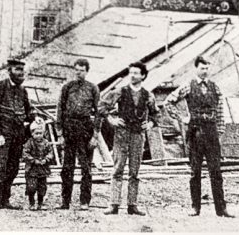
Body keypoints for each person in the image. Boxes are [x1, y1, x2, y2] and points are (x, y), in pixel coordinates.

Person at [164, 56, 234, 218]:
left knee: (216, 171)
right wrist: (182, 118)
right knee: (195, 172)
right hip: (195, 133)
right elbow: (169, 102)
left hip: (211, 133)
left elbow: (220, 110)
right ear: (196, 68)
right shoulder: (188, 85)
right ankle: (195, 207)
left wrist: (220, 131)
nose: (205, 71)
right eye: (202, 68)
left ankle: (221, 209)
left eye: (207, 68)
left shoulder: (214, 87)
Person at [100, 62, 160, 216]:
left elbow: (155, 114)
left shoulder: (148, 95)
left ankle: (132, 205)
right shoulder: (120, 91)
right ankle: (113, 204)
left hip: (138, 136)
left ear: (143, 76)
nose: (132, 75)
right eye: (131, 72)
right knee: (118, 169)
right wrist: (111, 120)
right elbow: (102, 106)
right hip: (122, 135)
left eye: (136, 73)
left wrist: (151, 123)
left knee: (135, 172)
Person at [0, 58, 35, 211]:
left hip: (18, 135)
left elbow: (28, 112)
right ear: (10, 71)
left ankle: (4, 200)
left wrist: (34, 116)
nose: (21, 73)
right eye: (17, 70)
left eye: (22, 70)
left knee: (13, 168)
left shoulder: (23, 91)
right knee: (0, 166)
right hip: (3, 134)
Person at [56, 58, 101, 210]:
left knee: (86, 167)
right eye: (76, 69)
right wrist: (60, 133)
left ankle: (84, 201)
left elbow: (99, 112)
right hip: (69, 128)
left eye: (81, 70)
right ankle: (65, 201)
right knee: (67, 167)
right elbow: (60, 110)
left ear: (87, 71)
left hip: (85, 128)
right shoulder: (67, 87)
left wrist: (95, 135)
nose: (78, 72)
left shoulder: (93, 88)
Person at [23, 120, 54, 210]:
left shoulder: (46, 143)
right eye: (36, 133)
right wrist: (33, 160)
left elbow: (50, 152)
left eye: (41, 133)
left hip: (43, 169)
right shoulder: (29, 143)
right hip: (32, 169)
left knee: (42, 188)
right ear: (32, 133)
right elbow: (25, 153)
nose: (39, 135)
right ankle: (31, 203)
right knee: (31, 187)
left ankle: (40, 203)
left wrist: (46, 159)